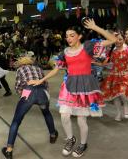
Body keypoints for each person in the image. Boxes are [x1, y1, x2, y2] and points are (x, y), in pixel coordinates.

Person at [28, 18, 117, 157]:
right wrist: (41, 80)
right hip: (69, 85)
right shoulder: (65, 52)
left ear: (79, 36)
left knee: (81, 119)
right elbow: (56, 69)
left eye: (72, 35)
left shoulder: (88, 46)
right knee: (64, 115)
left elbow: (112, 40)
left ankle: (83, 144)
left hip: (85, 86)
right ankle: (70, 139)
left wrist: (95, 27)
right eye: (67, 36)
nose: (68, 38)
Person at [2, 55, 58, 159]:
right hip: (42, 92)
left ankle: (9, 150)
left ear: (21, 63)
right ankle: (53, 135)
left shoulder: (20, 69)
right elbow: (45, 83)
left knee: (16, 121)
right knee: (46, 113)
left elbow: (18, 86)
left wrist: (23, 95)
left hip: (28, 92)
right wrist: (46, 96)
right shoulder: (38, 68)